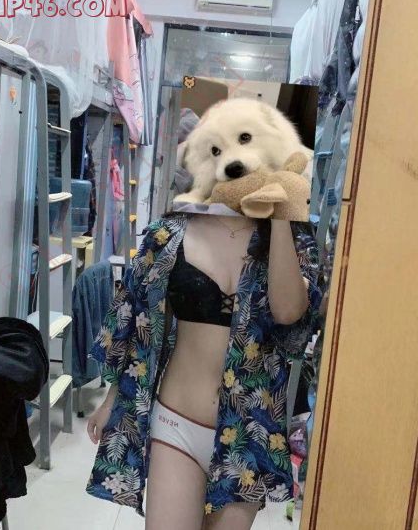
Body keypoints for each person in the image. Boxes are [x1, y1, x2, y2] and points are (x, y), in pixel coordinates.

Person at [86, 212, 320, 530]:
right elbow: (134, 323)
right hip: (176, 424)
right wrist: (111, 399)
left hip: (249, 434)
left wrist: (279, 215)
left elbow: (289, 312)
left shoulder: (293, 242)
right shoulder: (169, 235)